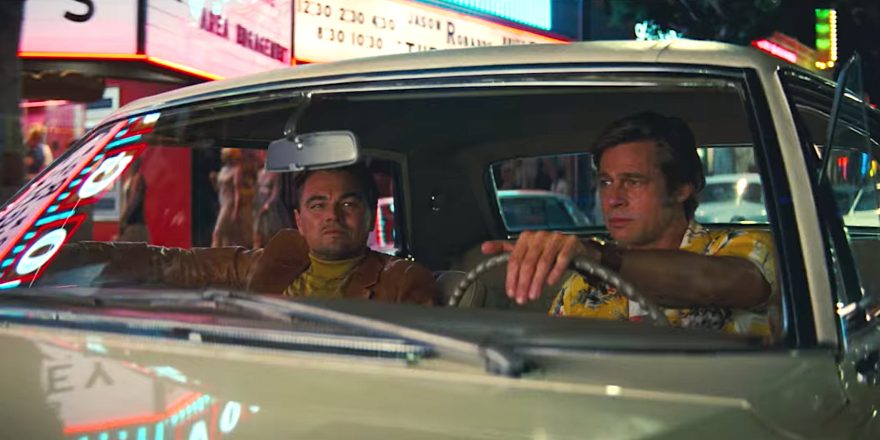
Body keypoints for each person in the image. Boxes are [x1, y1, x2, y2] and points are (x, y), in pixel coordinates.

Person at [482, 112, 777, 337]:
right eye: (605, 182)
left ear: (681, 189)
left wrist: (600, 256)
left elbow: (717, 282)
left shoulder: (743, 247)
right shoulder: (581, 286)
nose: (613, 199)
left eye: (633, 182)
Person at [49, 162, 437, 305]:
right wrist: (55, 258)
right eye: (317, 205)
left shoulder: (401, 281)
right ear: (299, 220)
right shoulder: (269, 263)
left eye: (348, 204)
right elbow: (167, 264)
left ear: (370, 215)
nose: (332, 216)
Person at [211, 148, 255, 248]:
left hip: (229, 204)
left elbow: (237, 191)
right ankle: (223, 255)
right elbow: (219, 189)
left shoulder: (236, 169)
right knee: (227, 236)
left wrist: (236, 211)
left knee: (217, 232)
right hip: (222, 203)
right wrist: (214, 180)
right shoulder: (223, 169)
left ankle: (212, 254)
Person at [253, 150, 291, 248]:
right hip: (259, 202)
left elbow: (276, 192)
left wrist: (268, 204)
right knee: (258, 229)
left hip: (271, 205)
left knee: (271, 230)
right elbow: (257, 190)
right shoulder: (259, 172)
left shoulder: (275, 173)